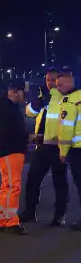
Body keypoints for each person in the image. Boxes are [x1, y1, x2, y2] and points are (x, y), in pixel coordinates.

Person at [19, 69, 68, 225]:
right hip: (42, 146)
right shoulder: (43, 97)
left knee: (59, 183)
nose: (50, 83)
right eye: (48, 80)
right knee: (32, 179)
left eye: (53, 80)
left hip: (59, 147)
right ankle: (29, 211)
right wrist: (37, 102)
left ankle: (59, 216)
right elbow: (29, 113)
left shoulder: (65, 98)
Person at [0, 82, 28, 234]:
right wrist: (29, 137)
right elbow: (13, 131)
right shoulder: (9, 109)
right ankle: (11, 221)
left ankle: (2, 220)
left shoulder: (3, 107)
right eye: (22, 92)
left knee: (6, 186)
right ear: (13, 92)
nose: (24, 95)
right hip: (11, 151)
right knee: (13, 186)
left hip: (6, 151)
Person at [54, 71, 81, 230]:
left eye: (60, 85)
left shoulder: (69, 101)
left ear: (69, 83)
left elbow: (66, 130)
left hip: (77, 150)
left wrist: (62, 152)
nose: (58, 88)